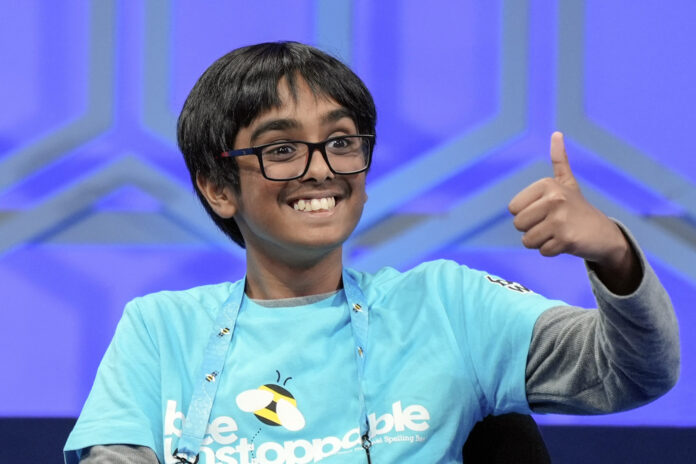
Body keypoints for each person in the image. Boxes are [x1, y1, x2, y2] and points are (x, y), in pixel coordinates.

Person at [64, 41, 680, 464]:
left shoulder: (448, 306)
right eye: (281, 149)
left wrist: (614, 254)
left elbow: (632, 373)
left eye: (341, 141)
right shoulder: (161, 328)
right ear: (217, 187)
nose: (321, 169)